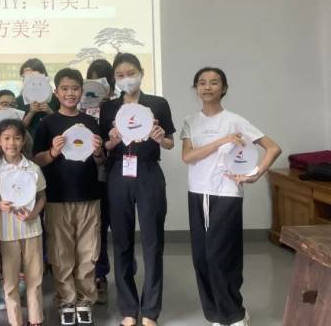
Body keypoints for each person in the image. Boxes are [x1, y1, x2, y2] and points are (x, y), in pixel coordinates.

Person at [181, 67, 281, 326]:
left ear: (224, 88)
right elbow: (188, 157)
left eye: (214, 82)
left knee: (221, 255)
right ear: (196, 88)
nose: (207, 87)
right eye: (202, 82)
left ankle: (234, 314)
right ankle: (216, 313)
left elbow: (273, 148)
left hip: (226, 193)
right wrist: (221, 141)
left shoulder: (235, 120)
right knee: (201, 258)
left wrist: (255, 174)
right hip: (198, 193)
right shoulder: (190, 121)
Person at [99, 53, 175, 326]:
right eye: (120, 75)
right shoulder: (108, 108)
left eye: (131, 73)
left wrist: (161, 138)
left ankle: (151, 311)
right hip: (119, 172)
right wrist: (111, 141)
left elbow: (170, 143)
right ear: (114, 79)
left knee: (153, 241)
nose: (126, 79)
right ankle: (129, 309)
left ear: (141, 72)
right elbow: (104, 148)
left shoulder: (157, 103)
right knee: (121, 241)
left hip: (148, 172)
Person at [33, 68, 104, 326]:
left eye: (75, 88)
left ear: (81, 92)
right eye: (64, 88)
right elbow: (36, 159)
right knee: (61, 252)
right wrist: (53, 152)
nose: (70, 93)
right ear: (56, 92)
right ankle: (66, 300)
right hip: (57, 197)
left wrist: (98, 152)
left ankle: (85, 300)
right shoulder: (47, 123)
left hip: (89, 195)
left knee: (88, 251)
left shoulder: (91, 122)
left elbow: (101, 161)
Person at [0, 119, 46, 326]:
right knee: (10, 281)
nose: (12, 143)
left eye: (16, 138)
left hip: (32, 230)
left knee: (35, 278)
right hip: (7, 233)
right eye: (6, 138)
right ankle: (15, 321)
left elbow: (42, 196)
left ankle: (35, 319)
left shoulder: (32, 168)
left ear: (24, 140)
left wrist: (34, 214)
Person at [84, 58, 115, 304]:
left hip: (109, 176)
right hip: (83, 175)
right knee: (89, 230)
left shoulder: (116, 107)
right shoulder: (80, 107)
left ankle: (101, 274)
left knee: (103, 227)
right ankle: (88, 276)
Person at [16, 58, 59, 139]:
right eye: (25, 77)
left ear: (44, 75)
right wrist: (31, 113)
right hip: (28, 143)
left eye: (33, 76)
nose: (30, 81)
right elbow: (17, 129)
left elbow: (61, 123)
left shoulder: (56, 98)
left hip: (51, 142)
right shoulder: (18, 101)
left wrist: (49, 111)